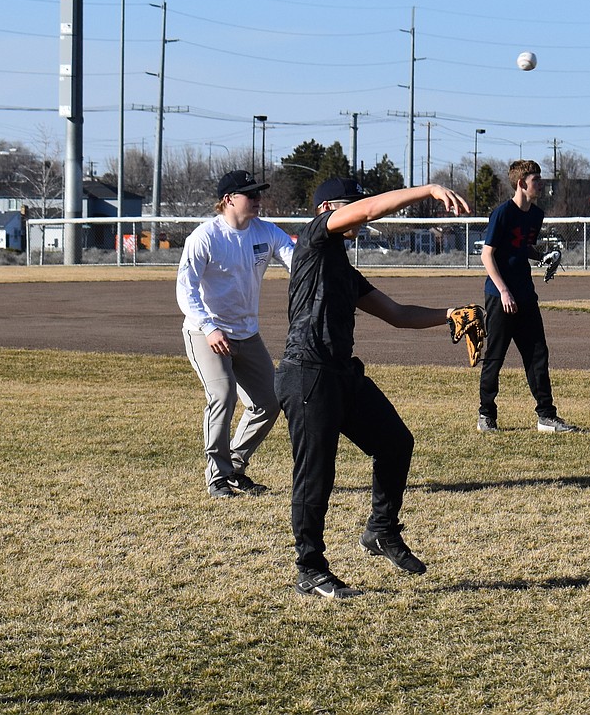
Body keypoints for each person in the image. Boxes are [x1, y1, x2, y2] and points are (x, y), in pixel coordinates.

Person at [276, 177, 471, 600]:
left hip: (341, 374)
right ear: (328, 208)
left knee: (396, 443)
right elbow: (367, 211)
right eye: (351, 204)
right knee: (316, 476)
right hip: (307, 374)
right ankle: (309, 568)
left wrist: (449, 314)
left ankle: (381, 531)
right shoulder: (313, 240)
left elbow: (398, 315)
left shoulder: (344, 270)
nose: (361, 212)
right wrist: (429, 190)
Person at [176, 169, 296, 499]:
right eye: (251, 195)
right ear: (229, 200)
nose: (258, 200)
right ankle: (216, 476)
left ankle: (234, 466)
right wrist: (209, 327)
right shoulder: (205, 237)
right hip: (206, 332)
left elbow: (294, 259)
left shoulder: (266, 232)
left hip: (247, 334)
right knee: (223, 395)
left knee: (269, 402)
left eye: (259, 194)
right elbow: (186, 291)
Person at [478, 160, 578, 435]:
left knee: (537, 356)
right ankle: (486, 414)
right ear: (522, 183)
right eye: (537, 179)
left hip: (525, 296)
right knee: (495, 357)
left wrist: (542, 255)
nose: (541, 184)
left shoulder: (536, 215)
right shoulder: (503, 213)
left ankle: (546, 416)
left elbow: (522, 248)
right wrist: (504, 291)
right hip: (501, 297)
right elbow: (488, 254)